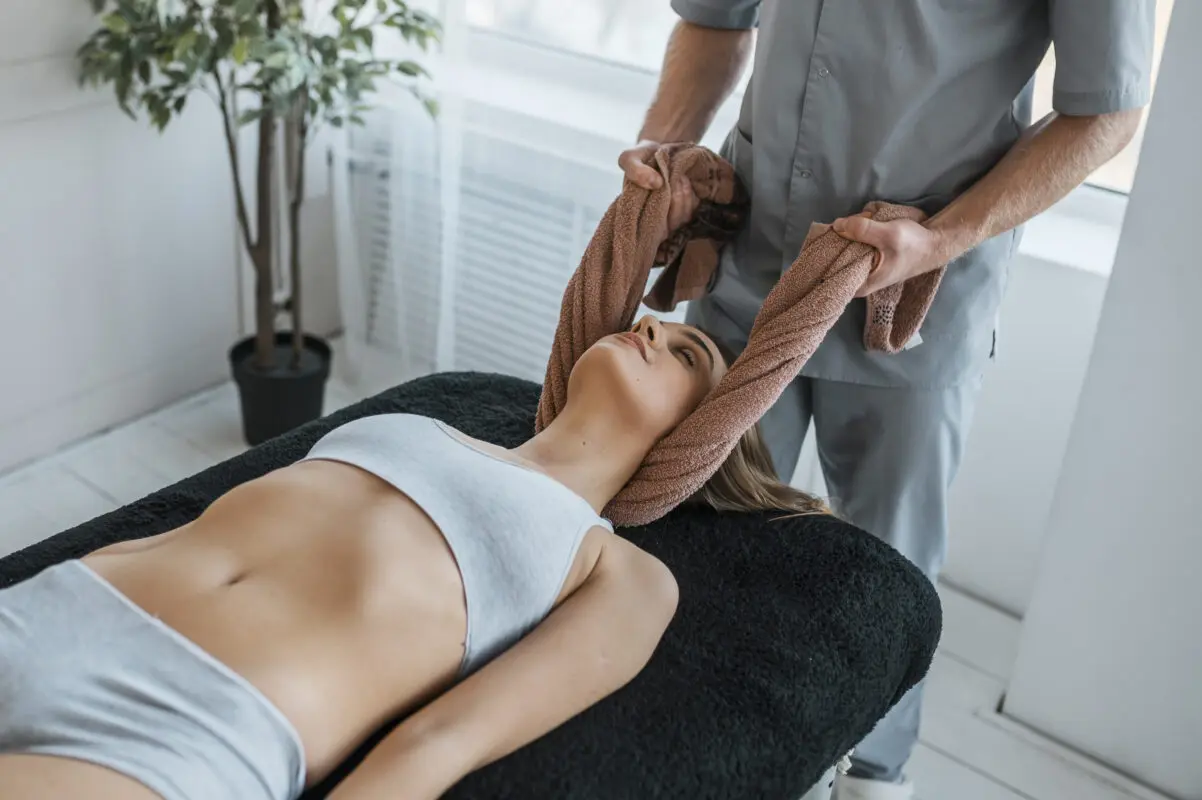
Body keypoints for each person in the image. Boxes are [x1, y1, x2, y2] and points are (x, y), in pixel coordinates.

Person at [618, 3, 1156, 798]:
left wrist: (942, 240)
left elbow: (1105, 111)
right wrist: (667, 153)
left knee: (883, 574)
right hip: (747, 259)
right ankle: (680, 750)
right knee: (690, 528)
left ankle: (871, 775)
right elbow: (713, 21)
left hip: (916, 301)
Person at [0, 315, 825, 800]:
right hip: (58, 608)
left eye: (685, 355)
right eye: (651, 320)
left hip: (196, 724)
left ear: (704, 436)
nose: (649, 326)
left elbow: (441, 740)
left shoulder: (620, 572)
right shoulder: (427, 420)